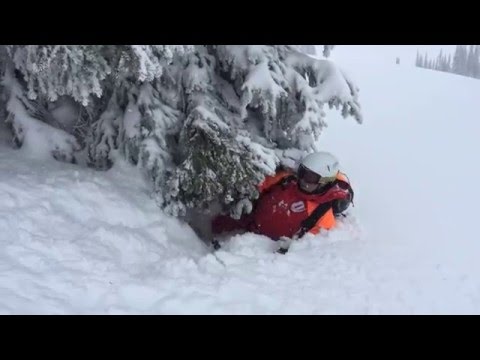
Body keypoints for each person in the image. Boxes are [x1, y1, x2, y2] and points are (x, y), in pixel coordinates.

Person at [211, 151, 354, 243]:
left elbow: (308, 248)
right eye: (302, 173)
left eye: (310, 177)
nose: (303, 180)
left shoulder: (322, 215)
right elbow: (259, 185)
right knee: (212, 225)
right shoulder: (287, 180)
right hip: (250, 222)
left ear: (324, 182)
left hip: (263, 247)